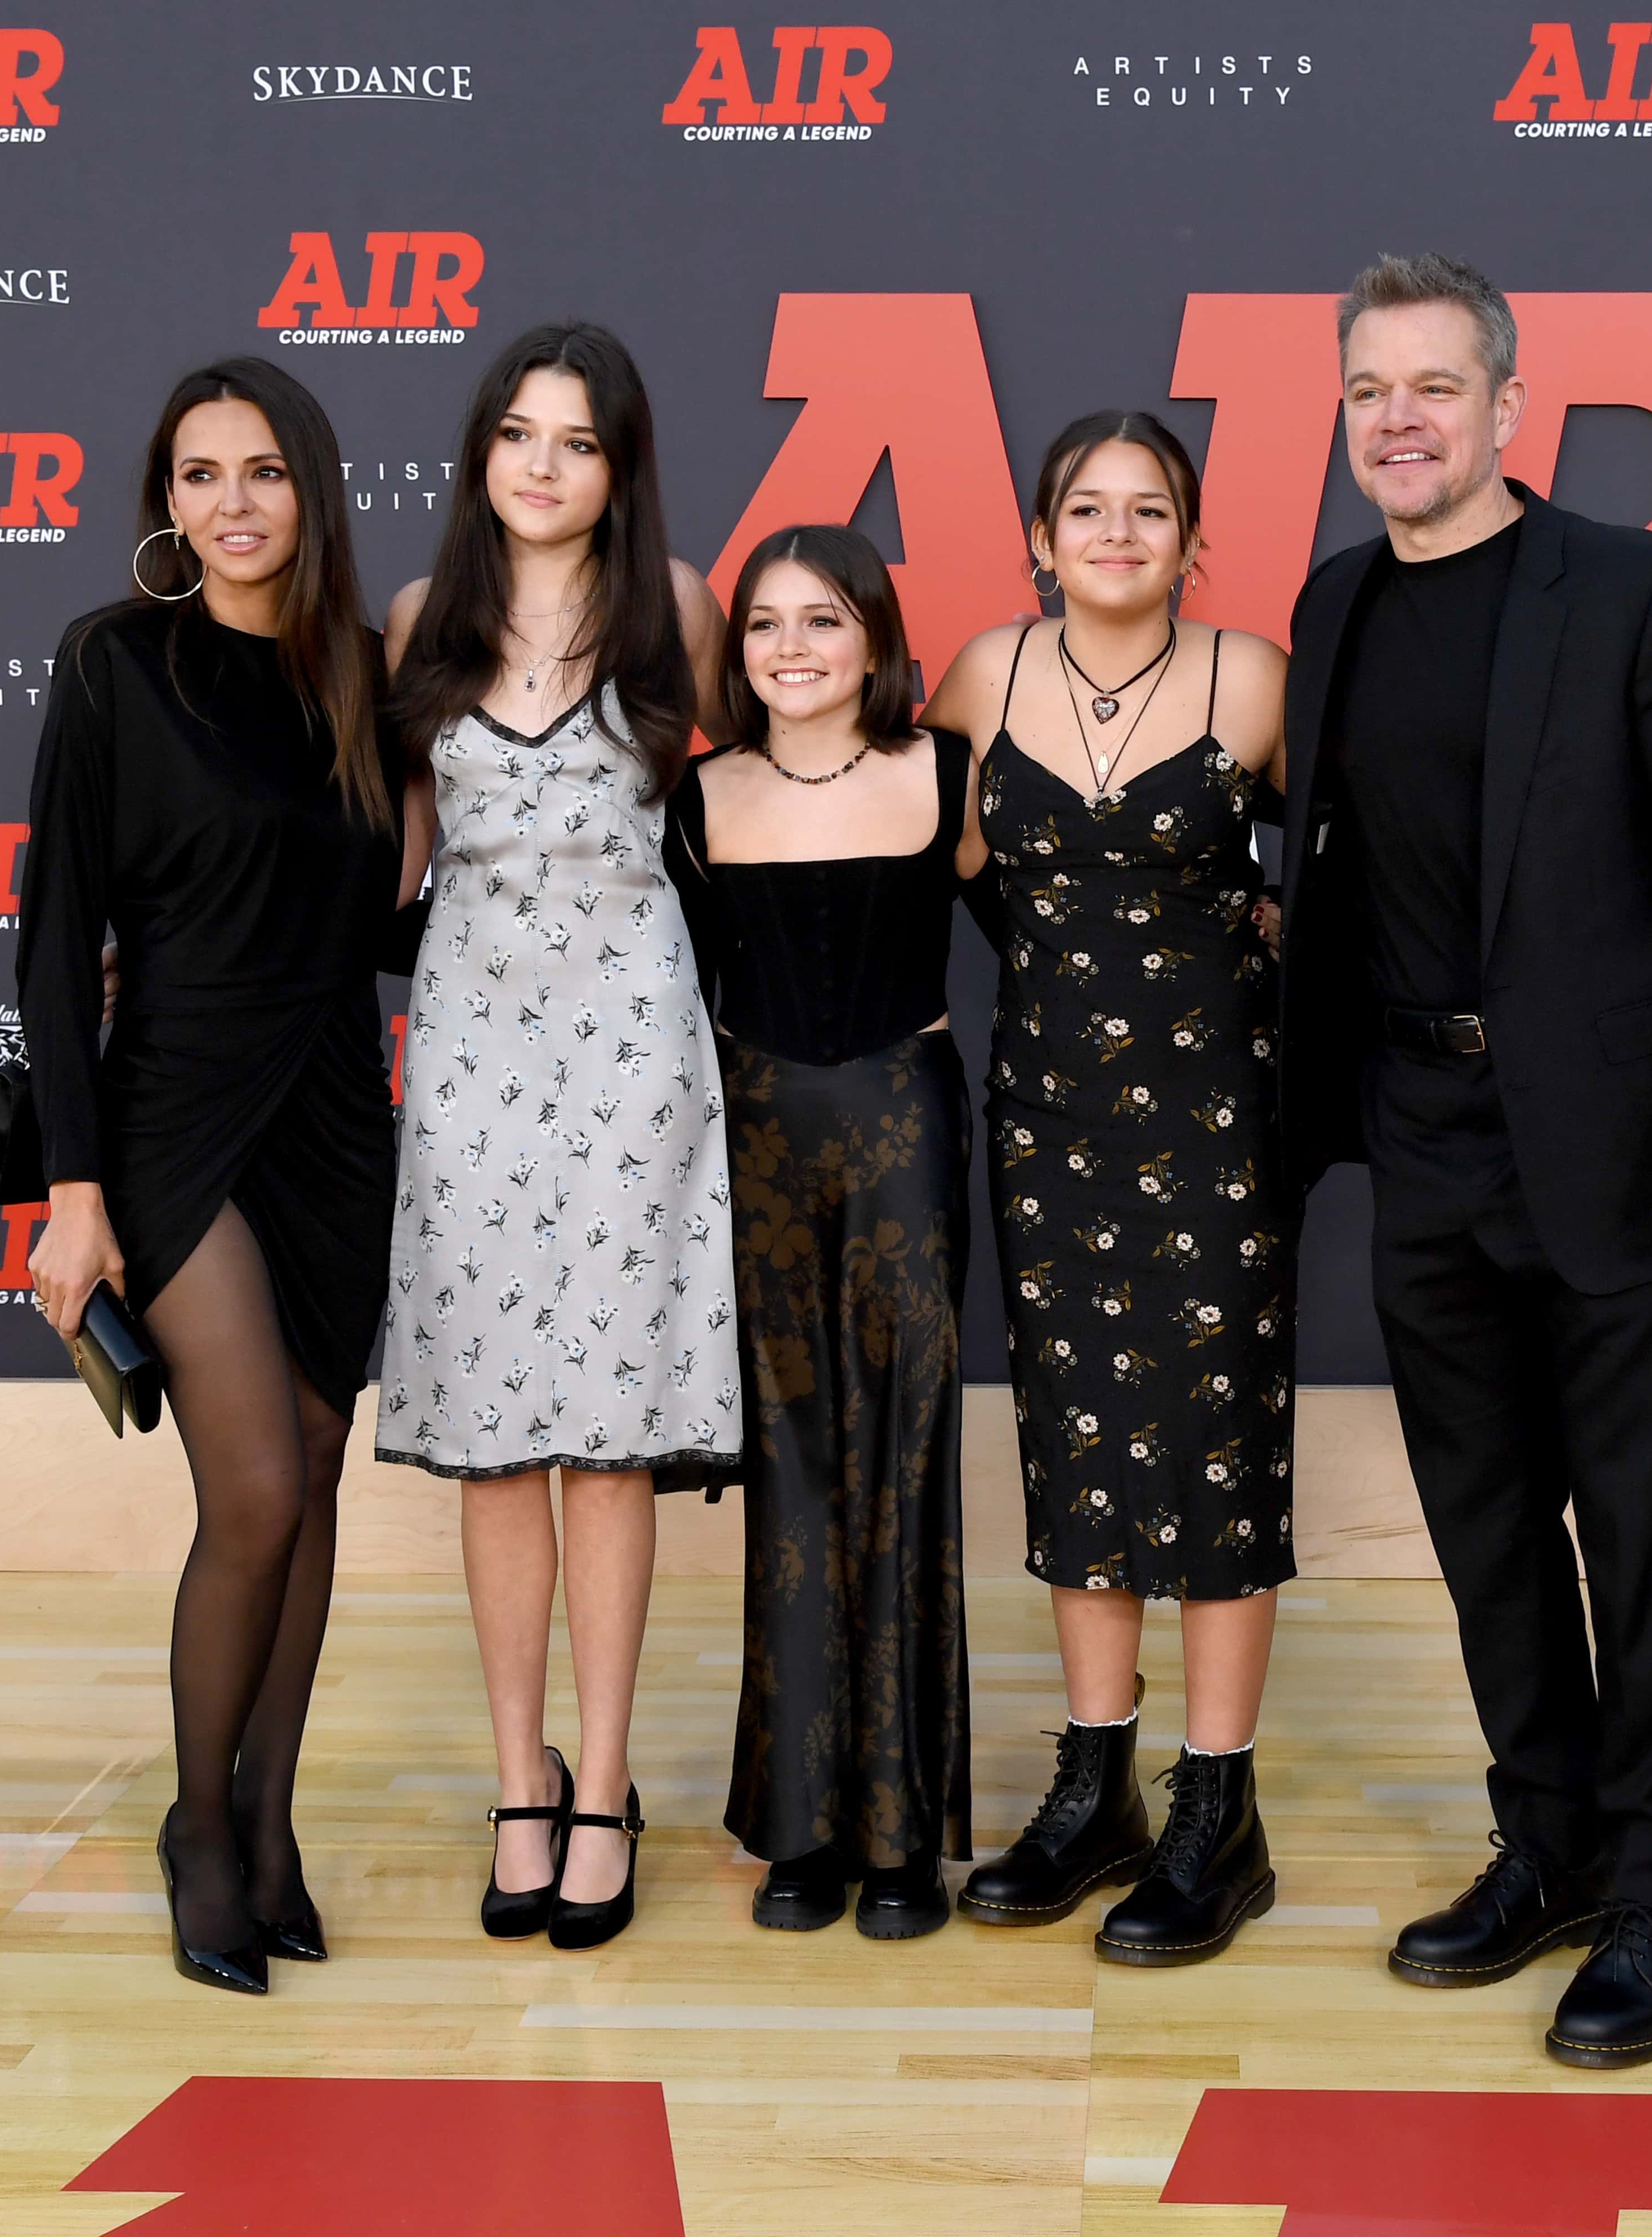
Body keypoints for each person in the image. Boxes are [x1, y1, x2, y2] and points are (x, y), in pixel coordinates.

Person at [1276, 254, 1652, 2066]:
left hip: (1622, 1143)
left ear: (1509, 408)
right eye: (1370, 389)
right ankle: (1554, 1844)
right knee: (1487, 1526)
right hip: (1426, 1134)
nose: (1401, 416)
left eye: (1435, 385)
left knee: (1640, 1535)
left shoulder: (1643, 592)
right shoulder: (1336, 605)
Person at [18, 358, 411, 1996]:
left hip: (333, 1113)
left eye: (263, 472)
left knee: (315, 1473)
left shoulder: (362, 677)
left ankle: (272, 1824)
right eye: (200, 475)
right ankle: (197, 1825)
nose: (233, 504)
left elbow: (387, 928)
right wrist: (77, 1189)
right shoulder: (116, 663)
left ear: (312, 492)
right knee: (251, 1489)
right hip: (175, 1110)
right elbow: (52, 936)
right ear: (163, 502)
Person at [373, 321, 740, 1952]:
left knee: (608, 1430)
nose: (540, 463)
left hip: (636, 1053)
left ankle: (606, 1781)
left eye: (575, 440)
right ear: (480, 455)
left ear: (619, 463)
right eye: (516, 433)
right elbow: (397, 868)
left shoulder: (681, 608)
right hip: (468, 1049)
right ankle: (517, 1773)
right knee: (492, 1429)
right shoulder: (416, 622)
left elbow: (759, 811)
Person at [920, 412, 1298, 1966]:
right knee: (1076, 1432)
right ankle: (1098, 1787)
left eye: (1153, 511)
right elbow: (931, 866)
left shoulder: (1255, 678)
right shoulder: (979, 676)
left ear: (1193, 541)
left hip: (1217, 1119)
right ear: (1039, 535)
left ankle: (1221, 1808)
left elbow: (1336, 873)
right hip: (1050, 1114)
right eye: (1090, 507)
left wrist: (1264, 944)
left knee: (1213, 1446)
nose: (1120, 533)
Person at [664, 526, 972, 1938]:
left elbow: (1067, 920)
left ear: (876, 640)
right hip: (759, 1141)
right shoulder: (696, 799)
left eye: (825, 621)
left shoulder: (947, 775)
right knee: (791, 1466)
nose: (792, 649)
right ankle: (802, 1831)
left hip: (908, 1128)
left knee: (903, 1459)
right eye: (766, 626)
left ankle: (903, 1836)